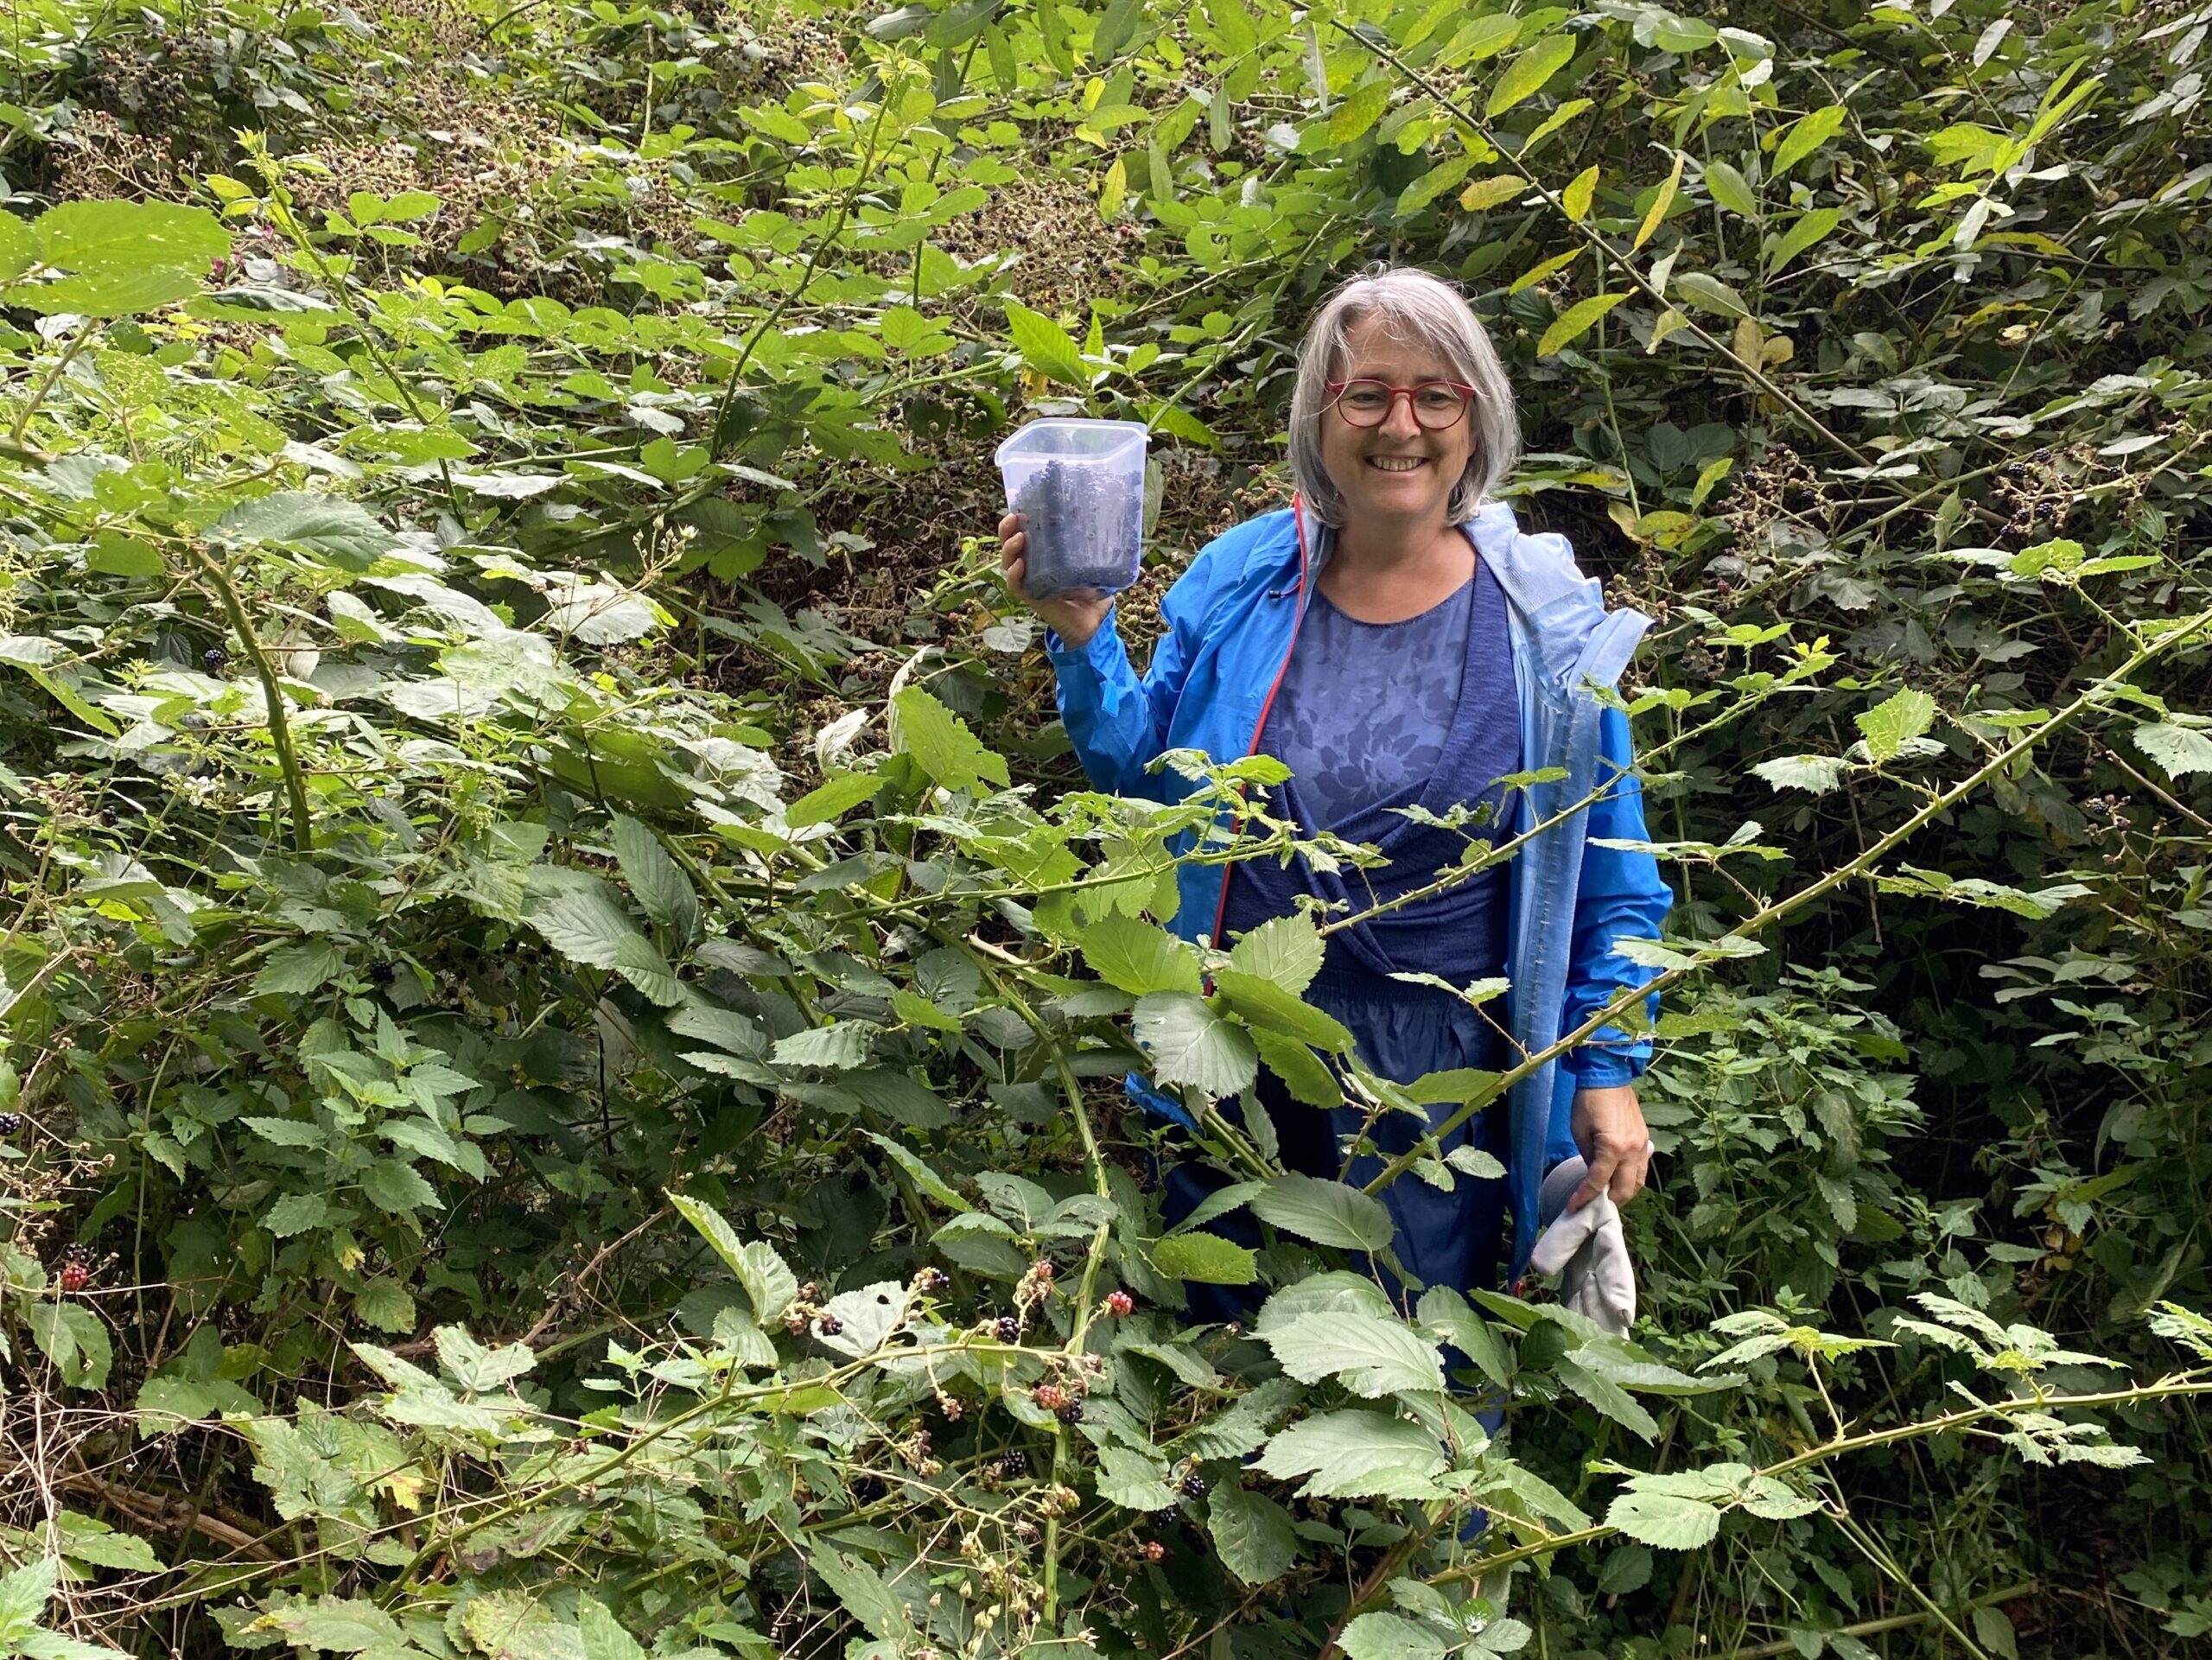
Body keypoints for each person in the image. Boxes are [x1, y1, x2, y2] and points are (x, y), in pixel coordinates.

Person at [997, 265, 1672, 1310]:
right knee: (1221, 1350)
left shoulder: (1543, 622)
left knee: (1406, 1368)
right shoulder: (1246, 576)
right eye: (1368, 394)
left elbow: (1612, 872)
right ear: (1322, 414)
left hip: (1434, 1080)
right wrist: (1085, 639)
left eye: (1434, 395)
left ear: (1475, 415)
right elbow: (1151, 783)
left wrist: (1609, 1064)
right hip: (1235, 1040)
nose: (1400, 425)